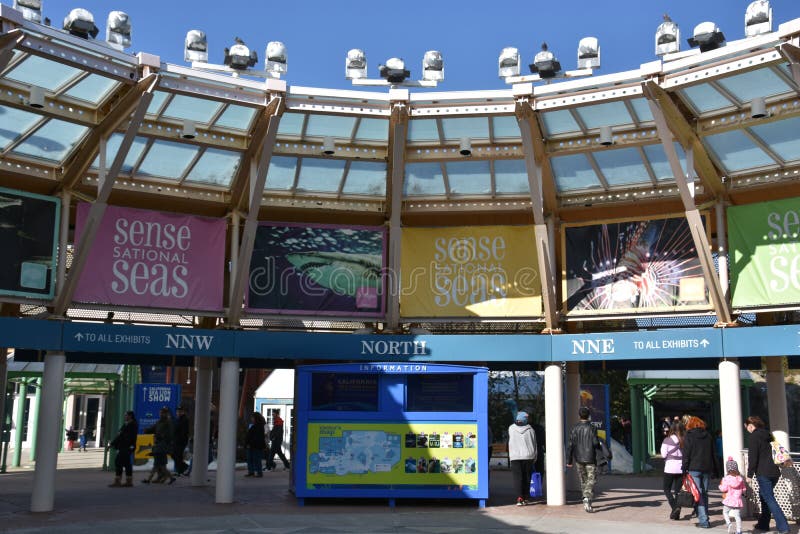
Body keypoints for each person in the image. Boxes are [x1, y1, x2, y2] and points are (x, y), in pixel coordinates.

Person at [745, 415, 789, 534]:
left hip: (763, 472)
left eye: (746, 427)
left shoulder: (754, 436)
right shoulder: (768, 434)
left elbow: (753, 457)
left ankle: (783, 527)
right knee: (764, 495)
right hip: (774, 471)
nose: (747, 429)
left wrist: (749, 475)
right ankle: (763, 524)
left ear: (750, 425)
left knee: (769, 498)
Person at [681, 416, 715, 529]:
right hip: (706, 468)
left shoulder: (689, 437)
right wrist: (715, 469)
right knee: (704, 493)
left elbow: (686, 455)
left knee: (698, 494)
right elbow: (712, 453)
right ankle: (705, 517)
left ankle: (704, 520)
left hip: (693, 468)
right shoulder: (708, 436)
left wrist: (684, 468)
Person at [566, 406, 601, 513]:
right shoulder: (592, 428)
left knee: (583, 480)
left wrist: (569, 460)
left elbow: (570, 445)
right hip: (590, 457)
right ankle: (587, 497)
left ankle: (586, 499)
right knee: (592, 479)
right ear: (588, 415)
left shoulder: (574, 428)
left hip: (578, 458)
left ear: (579, 415)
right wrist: (599, 445)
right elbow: (595, 443)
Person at [507, 410, 537, 506]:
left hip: (515, 457)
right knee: (527, 477)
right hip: (528, 456)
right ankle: (525, 497)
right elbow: (534, 444)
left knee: (518, 477)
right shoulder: (531, 430)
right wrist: (535, 456)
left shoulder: (511, 428)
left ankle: (519, 498)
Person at [143, 407, 175, 485]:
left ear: (166, 413)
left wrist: (162, 437)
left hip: (162, 446)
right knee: (158, 464)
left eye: (162, 413)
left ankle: (170, 477)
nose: (160, 414)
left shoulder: (168, 423)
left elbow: (170, 435)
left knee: (160, 464)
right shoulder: (159, 422)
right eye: (160, 413)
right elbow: (153, 429)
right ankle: (150, 479)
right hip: (158, 445)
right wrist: (146, 430)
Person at [660, 421, 684, 520]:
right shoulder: (685, 440)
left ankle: (675, 507)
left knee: (667, 489)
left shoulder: (667, 440)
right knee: (678, 491)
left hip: (670, 467)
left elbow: (663, 455)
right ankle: (676, 513)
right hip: (681, 468)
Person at [109, 411, 138, 487]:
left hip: (127, 447)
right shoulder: (126, 424)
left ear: (130, 416)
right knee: (126, 463)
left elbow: (127, 437)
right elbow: (119, 435)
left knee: (118, 462)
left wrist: (128, 446)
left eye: (126, 415)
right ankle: (128, 481)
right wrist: (112, 444)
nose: (124, 417)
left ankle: (119, 481)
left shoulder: (133, 425)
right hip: (124, 446)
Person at [719, 456, 746, 534]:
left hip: (729, 500)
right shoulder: (740, 479)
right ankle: (739, 530)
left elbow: (723, 489)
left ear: (728, 469)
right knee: (737, 516)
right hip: (737, 501)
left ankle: (729, 523)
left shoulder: (726, 479)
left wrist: (720, 486)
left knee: (725, 512)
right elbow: (744, 489)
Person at [245, 412, 267, 477]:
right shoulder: (255, 426)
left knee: (256, 459)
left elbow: (256, 437)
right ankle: (252, 471)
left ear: (256, 418)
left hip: (255, 446)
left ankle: (258, 472)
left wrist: (249, 443)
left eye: (252, 417)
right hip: (254, 445)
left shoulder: (258, 426)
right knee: (251, 458)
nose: (251, 419)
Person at [172, 405, 190, 476]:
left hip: (181, 441)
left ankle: (181, 470)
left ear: (183, 412)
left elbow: (184, 432)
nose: (178, 412)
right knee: (175, 455)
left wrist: (182, 440)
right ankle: (183, 468)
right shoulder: (177, 419)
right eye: (177, 411)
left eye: (180, 411)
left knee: (178, 456)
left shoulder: (185, 419)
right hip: (176, 441)